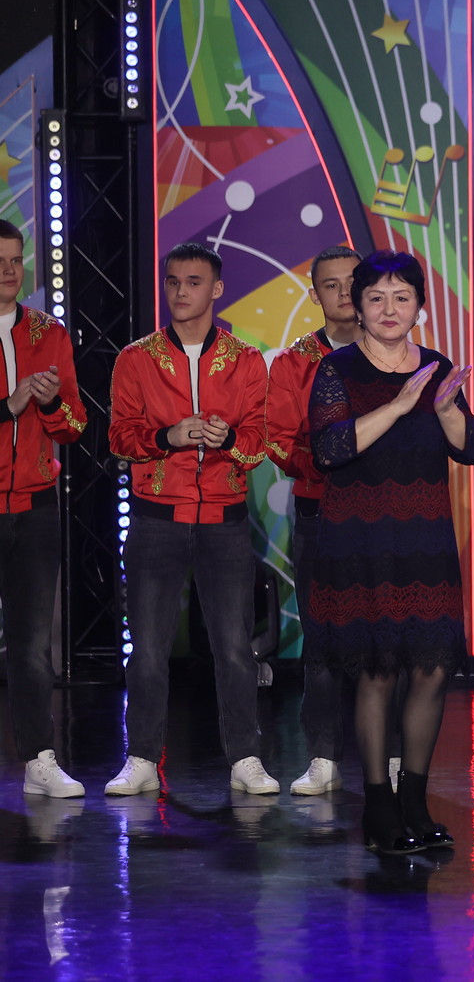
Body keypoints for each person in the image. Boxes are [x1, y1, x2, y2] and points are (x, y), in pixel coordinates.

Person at [306, 250, 474, 853]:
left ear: (419, 307)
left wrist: (444, 410)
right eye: (376, 298)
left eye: (402, 297)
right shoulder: (337, 369)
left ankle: (415, 801)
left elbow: (470, 449)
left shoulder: (437, 369)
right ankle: (378, 807)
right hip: (361, 542)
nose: (389, 309)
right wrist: (399, 406)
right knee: (378, 671)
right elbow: (330, 449)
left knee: (431, 670)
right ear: (356, 308)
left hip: (425, 539)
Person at [106, 242, 277, 795]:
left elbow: (259, 443)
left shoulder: (246, 360)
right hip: (156, 517)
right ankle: (141, 758)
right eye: (174, 281)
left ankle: (245, 758)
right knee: (148, 649)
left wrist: (227, 438)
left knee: (234, 647)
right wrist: (168, 436)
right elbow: (119, 437)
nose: (181, 292)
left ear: (217, 289)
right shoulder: (136, 358)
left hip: (224, 519)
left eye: (194, 282)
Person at [266, 245, 361, 795]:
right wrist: (330, 463)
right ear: (315, 294)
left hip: (385, 517)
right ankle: (324, 756)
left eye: (353, 281)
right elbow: (279, 440)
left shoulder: (395, 353)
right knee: (322, 640)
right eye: (331, 284)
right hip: (320, 512)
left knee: (391, 639)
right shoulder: (294, 363)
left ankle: (394, 758)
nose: (344, 292)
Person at [0, 218, 87, 797]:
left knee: (32, 644)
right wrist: (7, 406)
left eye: (15, 259)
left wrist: (51, 404)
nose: (9, 271)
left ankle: (39, 760)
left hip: (34, 507)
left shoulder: (49, 333)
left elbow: (74, 426)